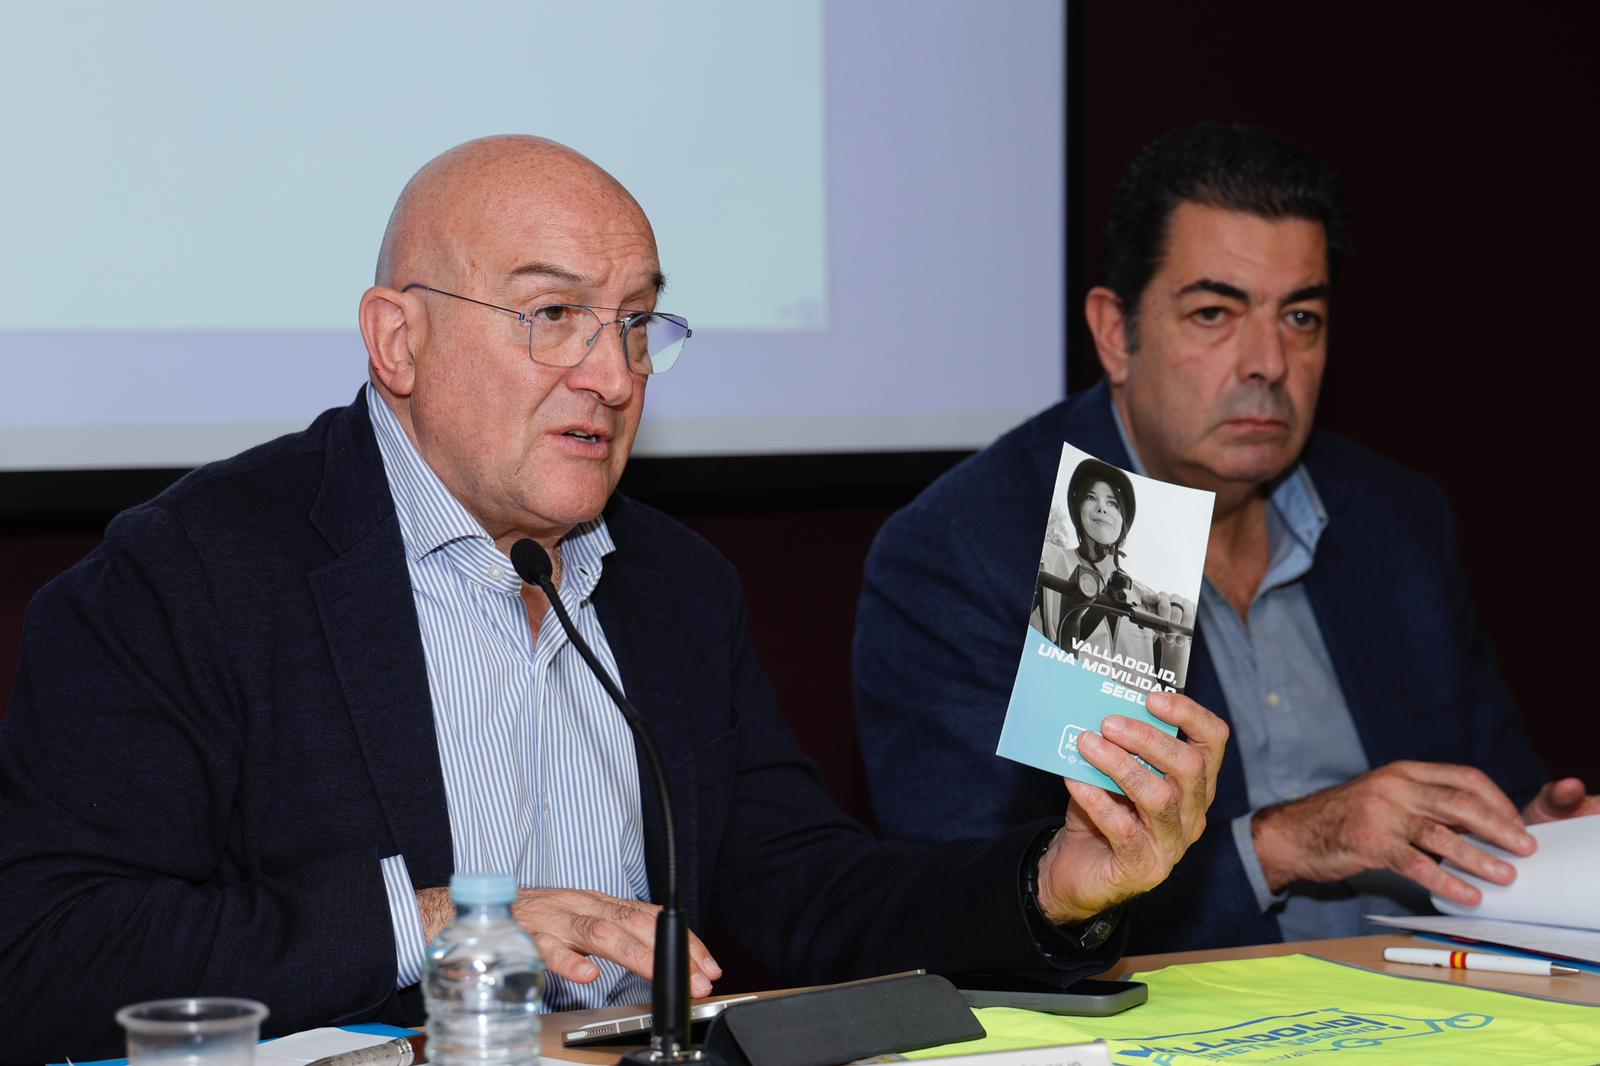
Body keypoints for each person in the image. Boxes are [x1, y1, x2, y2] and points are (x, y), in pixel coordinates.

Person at [0, 136, 1229, 1062]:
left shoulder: (673, 585)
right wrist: (439, 922)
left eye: (637, 323)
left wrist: (1053, 885)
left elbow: (807, 896)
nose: (613, 374)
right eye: (554, 316)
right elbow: (46, 953)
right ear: (397, 341)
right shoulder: (188, 577)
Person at [853, 122, 1598, 957]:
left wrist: (1529, 841)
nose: (1268, 363)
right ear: (1115, 333)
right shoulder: (970, 550)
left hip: (1429, 996)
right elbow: (977, 910)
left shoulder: (1394, 519)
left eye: (1301, 317)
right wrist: (1287, 844)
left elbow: (1492, 783)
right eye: (1214, 314)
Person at [1031, 459, 1194, 693]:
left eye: (1113, 503)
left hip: (1131, 713)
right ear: (1078, 509)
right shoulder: (1047, 558)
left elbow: (1171, 689)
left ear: (1123, 520)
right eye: (1090, 498)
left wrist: (1176, 650)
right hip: (1059, 699)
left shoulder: (1147, 598)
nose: (1102, 508)